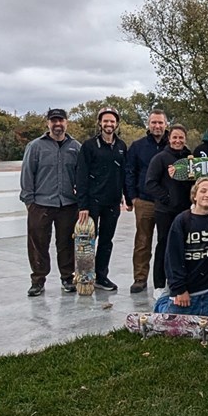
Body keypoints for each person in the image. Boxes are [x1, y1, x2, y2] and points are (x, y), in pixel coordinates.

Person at [20, 108, 81, 296]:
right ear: (48, 123)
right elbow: (27, 174)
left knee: (66, 244)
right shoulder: (36, 146)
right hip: (41, 203)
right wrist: (29, 201)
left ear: (66, 123)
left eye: (61, 120)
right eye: (54, 121)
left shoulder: (76, 147)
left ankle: (67, 278)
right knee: (38, 243)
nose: (57, 124)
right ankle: (38, 280)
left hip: (68, 204)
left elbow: (81, 175)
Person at [76, 106, 133, 291]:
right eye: (105, 120)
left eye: (112, 121)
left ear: (116, 123)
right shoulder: (89, 146)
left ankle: (102, 276)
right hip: (92, 202)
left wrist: (128, 197)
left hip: (112, 202)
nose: (109, 124)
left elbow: (125, 173)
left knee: (106, 241)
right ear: (100, 123)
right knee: (86, 241)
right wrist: (82, 205)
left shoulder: (121, 146)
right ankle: (84, 275)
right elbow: (81, 176)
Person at [154, 177, 208, 317]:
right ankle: (164, 299)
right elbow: (172, 258)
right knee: (170, 321)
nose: (207, 195)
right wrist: (179, 290)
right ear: (195, 196)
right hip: (187, 289)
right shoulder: (182, 221)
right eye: (203, 191)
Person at [144, 124, 193, 298]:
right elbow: (150, 183)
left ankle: (183, 281)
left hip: (186, 210)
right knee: (164, 245)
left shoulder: (190, 158)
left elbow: (193, 183)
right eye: (175, 137)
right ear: (169, 138)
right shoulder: (160, 158)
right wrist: (167, 198)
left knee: (186, 246)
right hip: (165, 211)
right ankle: (159, 284)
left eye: (181, 137)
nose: (178, 140)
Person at [125, 109, 169, 294]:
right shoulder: (137, 146)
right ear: (148, 125)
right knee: (143, 241)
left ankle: (166, 277)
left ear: (166, 124)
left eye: (160, 123)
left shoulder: (173, 144)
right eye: (154, 123)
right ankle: (140, 278)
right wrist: (132, 197)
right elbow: (129, 172)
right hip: (144, 201)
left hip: (167, 202)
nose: (157, 126)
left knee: (166, 242)